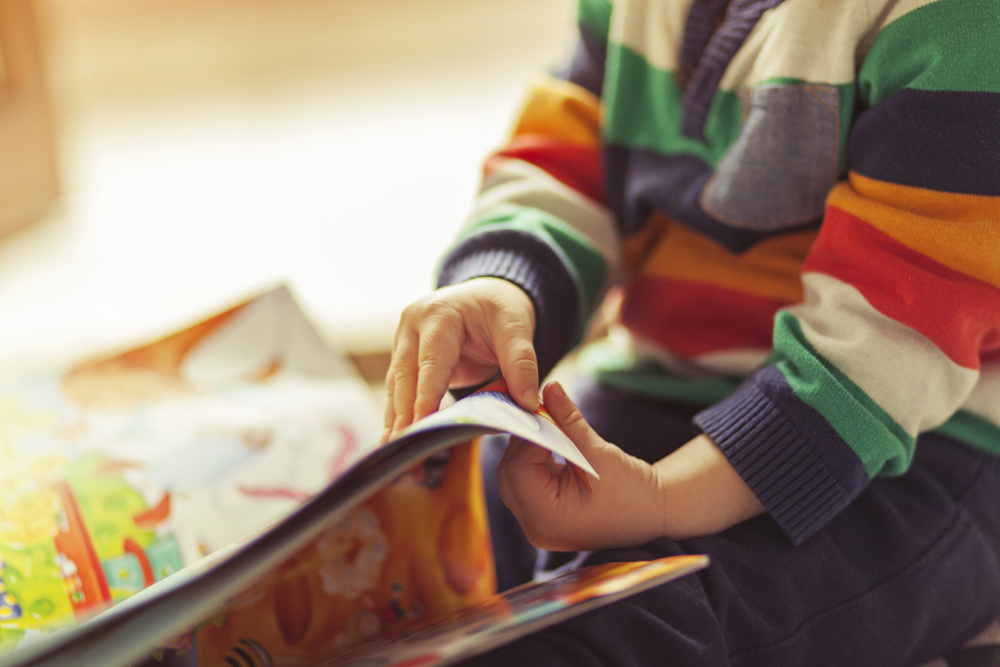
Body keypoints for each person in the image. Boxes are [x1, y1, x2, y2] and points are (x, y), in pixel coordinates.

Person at [382, 0, 1000, 664]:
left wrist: (662, 499)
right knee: (437, 518)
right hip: (662, 381)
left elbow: (889, 343)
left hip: (911, 445)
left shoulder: (959, 24)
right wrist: (505, 287)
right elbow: (569, 156)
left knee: (657, 614)